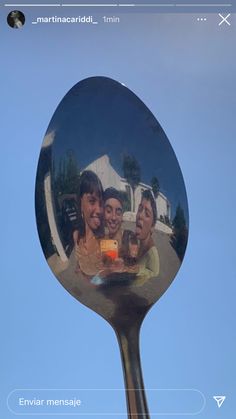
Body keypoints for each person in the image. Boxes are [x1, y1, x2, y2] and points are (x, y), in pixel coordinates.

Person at [73, 170, 104, 276]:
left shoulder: (105, 240)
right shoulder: (76, 235)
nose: (99, 210)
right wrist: (79, 267)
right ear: (81, 203)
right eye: (92, 201)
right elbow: (79, 258)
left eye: (101, 203)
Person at [135, 189, 160, 280]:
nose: (140, 216)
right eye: (140, 209)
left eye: (147, 214)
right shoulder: (137, 244)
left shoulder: (152, 260)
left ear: (152, 227)